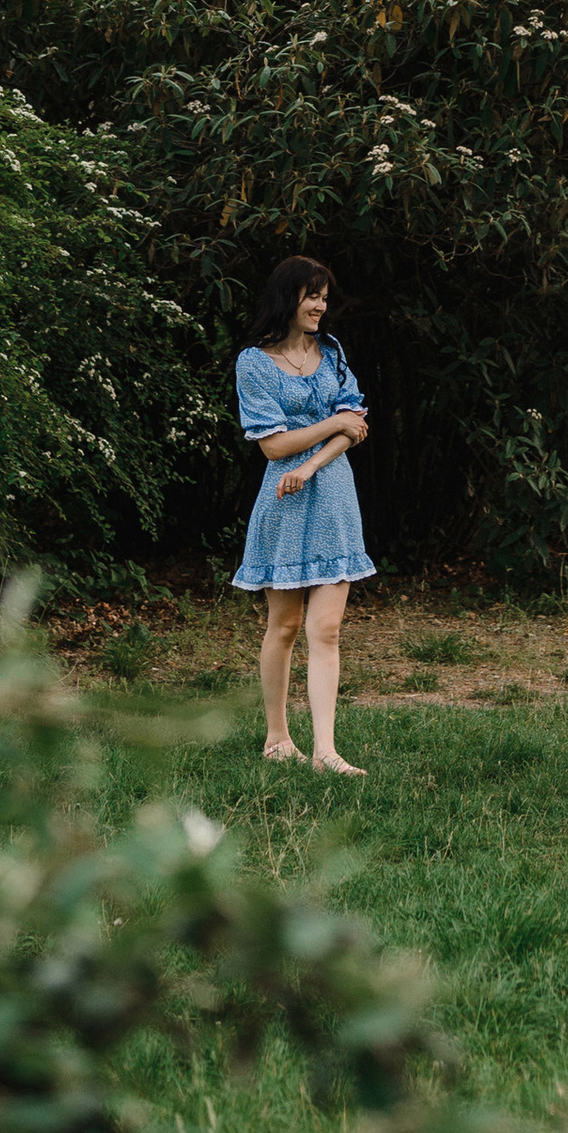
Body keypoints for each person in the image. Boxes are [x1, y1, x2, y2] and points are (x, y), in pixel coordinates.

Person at [234, 252, 375, 772]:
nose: (320, 306)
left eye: (324, 298)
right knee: (285, 625)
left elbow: (356, 425)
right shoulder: (254, 362)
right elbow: (273, 446)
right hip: (285, 499)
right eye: (311, 296)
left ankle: (325, 752)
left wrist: (314, 462)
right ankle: (277, 738)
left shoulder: (332, 352)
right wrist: (333, 423)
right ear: (287, 297)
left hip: (333, 494)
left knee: (327, 629)